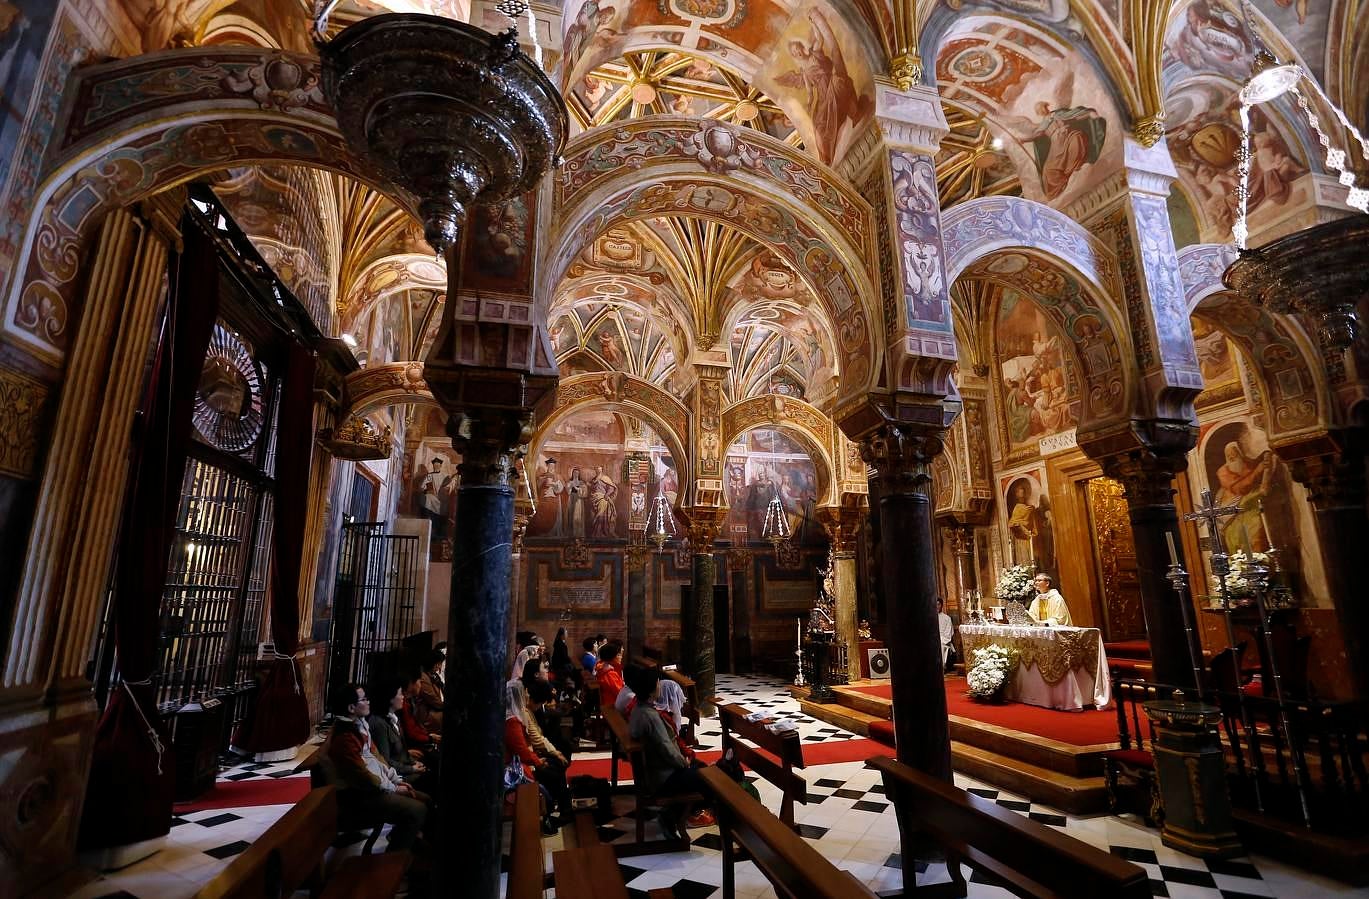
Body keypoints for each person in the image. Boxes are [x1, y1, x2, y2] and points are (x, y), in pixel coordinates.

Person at [325, 685, 427, 852]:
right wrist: (393, 788)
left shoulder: (360, 726)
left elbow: (377, 758)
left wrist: (395, 780)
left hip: (375, 787)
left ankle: (415, 850)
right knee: (416, 810)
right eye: (364, 699)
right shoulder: (345, 737)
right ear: (351, 707)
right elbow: (362, 775)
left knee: (424, 800)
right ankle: (393, 861)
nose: (368, 702)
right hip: (359, 798)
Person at [625, 667, 713, 837]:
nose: (660, 686)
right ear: (651, 689)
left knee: (702, 767)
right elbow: (667, 749)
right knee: (710, 780)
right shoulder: (650, 716)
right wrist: (684, 763)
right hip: (663, 778)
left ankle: (676, 812)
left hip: (653, 771)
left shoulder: (638, 709)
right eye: (658, 683)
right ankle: (674, 815)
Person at [504, 680, 569, 832]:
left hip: (521, 760)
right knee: (555, 771)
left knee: (557, 768)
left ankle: (558, 810)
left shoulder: (516, 715)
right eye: (523, 694)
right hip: (514, 768)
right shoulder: (512, 720)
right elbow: (522, 750)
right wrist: (538, 762)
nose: (526, 697)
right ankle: (551, 813)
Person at [367, 678, 429, 786]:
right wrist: (411, 768)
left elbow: (402, 752)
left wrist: (413, 762)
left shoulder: (393, 718)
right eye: (400, 694)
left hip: (402, 767)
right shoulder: (379, 724)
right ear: (390, 698)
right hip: (394, 776)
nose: (403, 697)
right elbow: (385, 761)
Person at [414, 650, 445, 734]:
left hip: (434, 710)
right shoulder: (423, 677)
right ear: (432, 662)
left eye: (440, 664)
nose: (439, 667)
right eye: (438, 664)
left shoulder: (433, 675)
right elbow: (433, 700)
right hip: (426, 714)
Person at [596, 642, 625, 707]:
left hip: (612, 700)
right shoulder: (610, 674)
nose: (621, 657)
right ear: (611, 657)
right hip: (613, 703)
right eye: (618, 655)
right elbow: (620, 693)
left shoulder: (603, 666)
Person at [937, 597, 956, 672]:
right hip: (932, 640)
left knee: (940, 645)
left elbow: (948, 634)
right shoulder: (929, 618)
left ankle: (940, 668)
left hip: (943, 640)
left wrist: (939, 639)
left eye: (938, 604)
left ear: (941, 605)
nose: (937, 606)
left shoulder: (947, 618)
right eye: (935, 605)